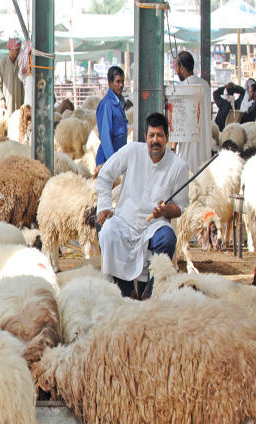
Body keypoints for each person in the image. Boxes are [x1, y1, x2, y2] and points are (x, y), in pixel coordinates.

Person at [96, 112, 190, 299]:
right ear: (145, 137)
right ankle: (126, 290)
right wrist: (104, 206)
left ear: (167, 138)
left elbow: (179, 207)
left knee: (168, 238)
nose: (155, 140)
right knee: (107, 232)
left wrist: (165, 210)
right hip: (125, 220)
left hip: (154, 226)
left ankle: (152, 291)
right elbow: (105, 175)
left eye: (160, 135)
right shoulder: (132, 152)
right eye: (151, 135)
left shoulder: (179, 166)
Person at [173, 51, 212, 173]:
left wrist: (173, 148)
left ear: (182, 68)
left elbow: (176, 124)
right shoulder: (205, 85)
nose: (175, 71)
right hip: (205, 148)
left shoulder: (181, 88)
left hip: (187, 151)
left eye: (176, 67)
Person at [95, 65, 128, 173]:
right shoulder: (107, 104)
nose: (121, 85)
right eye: (118, 82)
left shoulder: (120, 102)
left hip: (118, 158)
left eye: (122, 81)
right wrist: (113, 164)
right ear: (109, 83)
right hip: (108, 160)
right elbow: (105, 137)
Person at [0, 38, 24, 115]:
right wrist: (2, 101)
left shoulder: (20, 64)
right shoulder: (3, 63)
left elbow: (22, 85)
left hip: (18, 105)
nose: (18, 52)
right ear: (11, 49)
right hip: (5, 105)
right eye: (16, 50)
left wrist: (23, 103)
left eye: (19, 50)